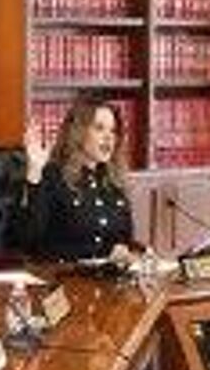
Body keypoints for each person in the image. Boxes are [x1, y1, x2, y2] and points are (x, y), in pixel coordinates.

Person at [14, 99, 136, 264]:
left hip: (105, 276)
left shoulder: (114, 182)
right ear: (78, 132)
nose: (109, 137)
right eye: (99, 128)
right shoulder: (52, 175)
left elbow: (126, 239)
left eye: (113, 131)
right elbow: (27, 239)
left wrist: (123, 252)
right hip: (61, 275)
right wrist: (34, 172)